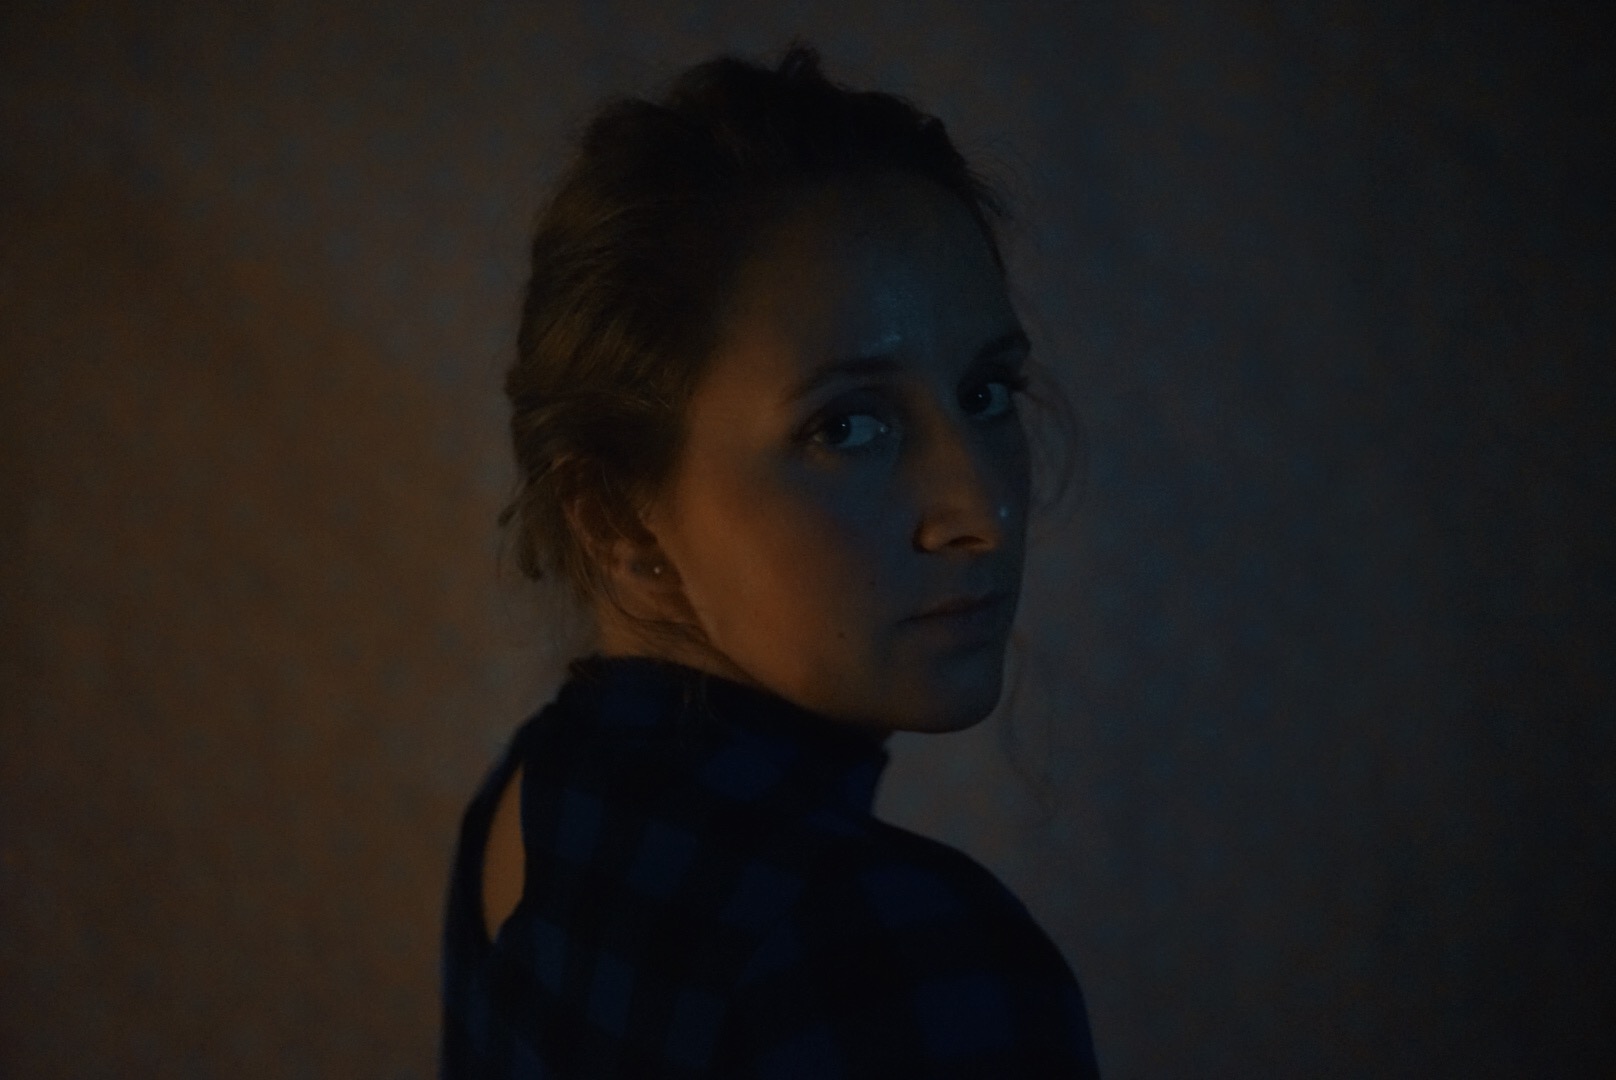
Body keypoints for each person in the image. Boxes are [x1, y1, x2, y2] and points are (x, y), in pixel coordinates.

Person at [440, 40, 1098, 1078]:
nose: (982, 511)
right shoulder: (903, 952)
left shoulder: (536, 795)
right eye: (847, 427)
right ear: (617, 521)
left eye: (985, 394)